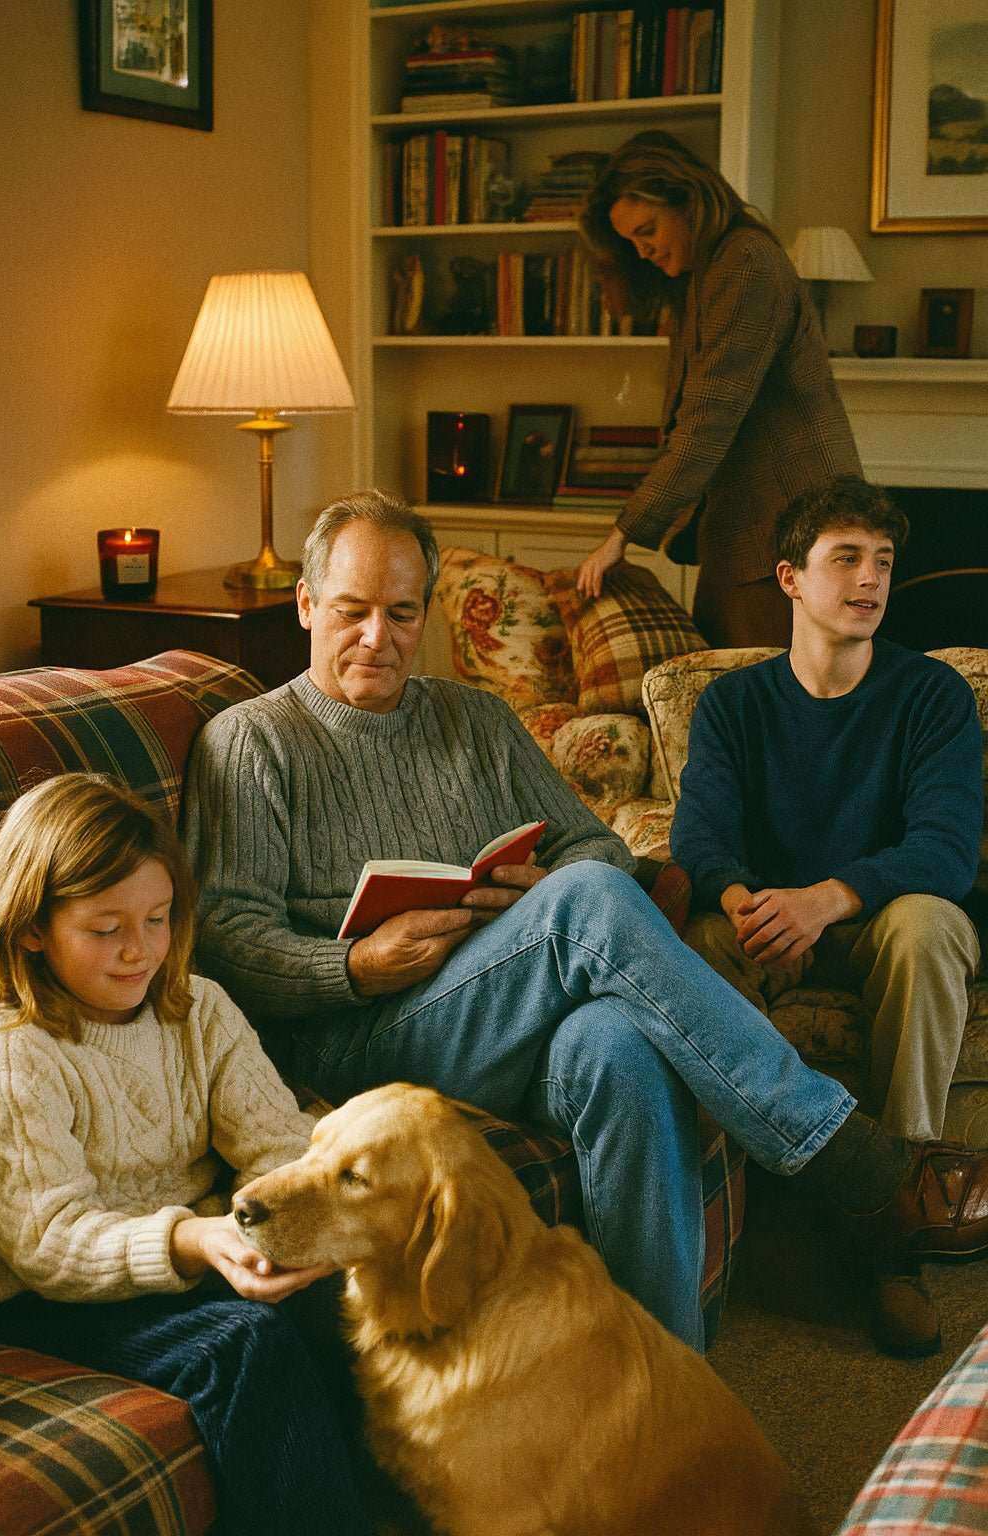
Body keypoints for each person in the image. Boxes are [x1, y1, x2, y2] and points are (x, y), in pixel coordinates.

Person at [183, 489, 988, 1357]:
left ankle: (664, 1375)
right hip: (353, 1035)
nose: (377, 636)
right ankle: (849, 1158)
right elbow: (225, 937)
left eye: (402, 612)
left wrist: (541, 882)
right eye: (351, 611)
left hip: (496, 1019)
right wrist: (355, 967)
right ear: (306, 604)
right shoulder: (250, 742)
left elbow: (597, 848)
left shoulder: (476, 719)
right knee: (587, 909)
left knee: (619, 1043)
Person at [0, 774, 377, 1536]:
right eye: (105, 928)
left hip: (188, 1260)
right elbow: (46, 1242)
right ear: (30, 929)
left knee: (352, 1292)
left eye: (157, 920)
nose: (139, 951)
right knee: (241, 1345)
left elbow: (277, 1146)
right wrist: (191, 1238)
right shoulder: (9, 1049)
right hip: (45, 1301)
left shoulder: (198, 1006)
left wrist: (276, 1231)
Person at [671, 475, 985, 1356]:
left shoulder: (932, 696)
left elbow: (946, 852)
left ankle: (900, 1217)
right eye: (844, 558)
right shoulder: (734, 704)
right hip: (771, 925)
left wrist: (825, 900)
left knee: (929, 926)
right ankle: (723, 1203)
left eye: (882, 562)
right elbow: (698, 840)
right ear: (789, 579)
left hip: (884, 919)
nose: (870, 580)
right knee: (694, 944)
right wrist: (748, 903)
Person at [574, 130, 862, 648]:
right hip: (743, 538)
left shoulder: (746, 263)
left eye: (647, 229)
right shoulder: (701, 279)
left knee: (773, 709)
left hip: (789, 535)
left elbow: (708, 419)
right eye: (629, 242)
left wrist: (624, 534)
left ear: (687, 200)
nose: (641, 251)